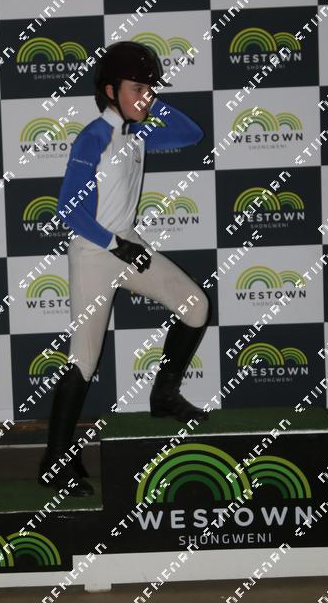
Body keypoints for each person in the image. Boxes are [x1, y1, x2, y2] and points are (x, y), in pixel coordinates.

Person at [38, 41, 210, 496]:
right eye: (136, 88)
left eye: (149, 89)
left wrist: (149, 102)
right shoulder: (93, 136)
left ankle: (164, 395)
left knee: (195, 306)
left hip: (127, 245)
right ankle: (53, 461)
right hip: (95, 253)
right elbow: (68, 209)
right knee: (84, 360)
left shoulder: (139, 134)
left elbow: (192, 133)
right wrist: (115, 245)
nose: (144, 97)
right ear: (110, 90)